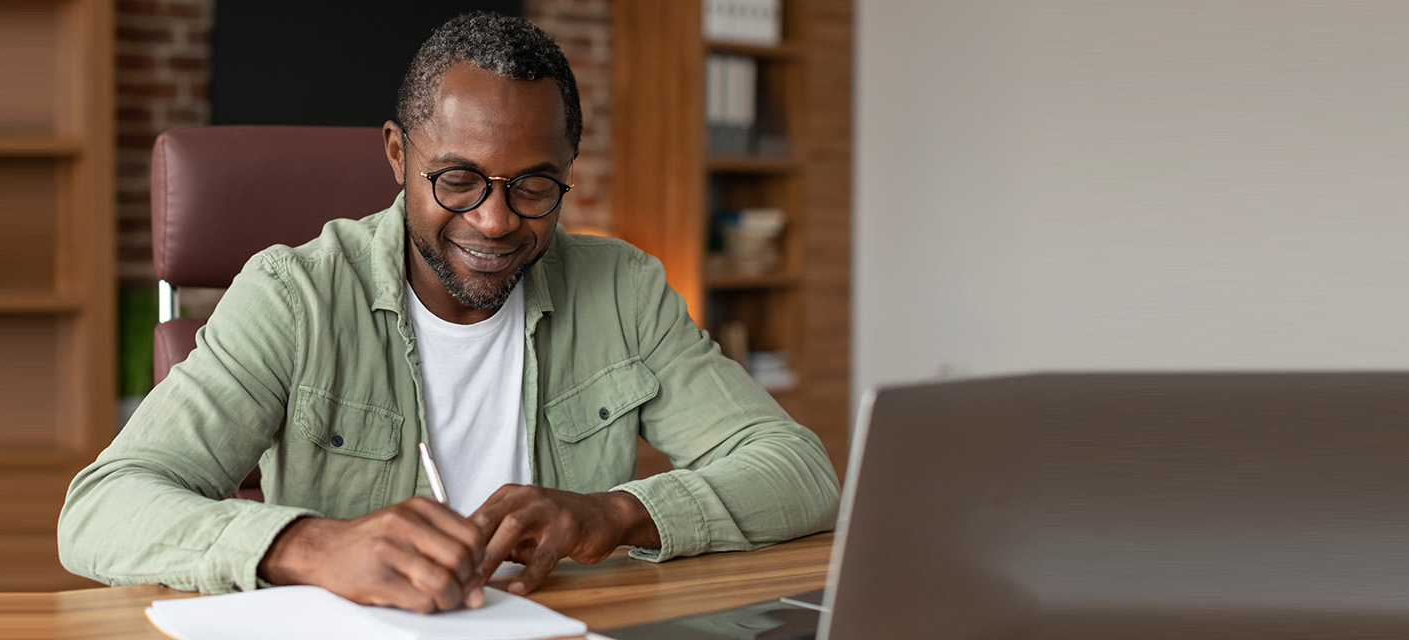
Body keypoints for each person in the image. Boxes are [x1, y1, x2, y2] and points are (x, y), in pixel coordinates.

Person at [58, 11, 839, 614]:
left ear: (569, 167)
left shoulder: (623, 288)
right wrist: (310, 545)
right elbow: (101, 508)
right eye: (458, 180)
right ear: (398, 156)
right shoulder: (294, 296)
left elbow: (800, 471)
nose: (495, 222)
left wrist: (619, 512)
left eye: (534, 186)